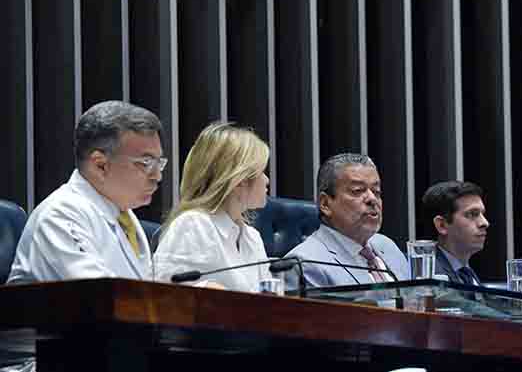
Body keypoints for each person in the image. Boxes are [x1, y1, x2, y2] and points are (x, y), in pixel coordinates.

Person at [7, 101, 164, 284]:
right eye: (146, 163)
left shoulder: (124, 217)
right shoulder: (59, 216)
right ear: (100, 165)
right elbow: (100, 295)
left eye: (159, 163)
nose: (157, 176)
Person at [154, 123, 272, 292]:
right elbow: (166, 292)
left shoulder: (252, 237)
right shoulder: (193, 225)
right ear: (239, 179)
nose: (267, 180)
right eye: (262, 171)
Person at [283, 152, 409, 289]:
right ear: (325, 204)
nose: (372, 199)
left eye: (376, 191)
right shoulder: (304, 264)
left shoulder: (387, 245)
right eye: (358, 190)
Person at [420, 180, 488, 285]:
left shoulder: (469, 275)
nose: (484, 223)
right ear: (441, 225)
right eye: (472, 214)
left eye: (482, 214)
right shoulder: (425, 274)